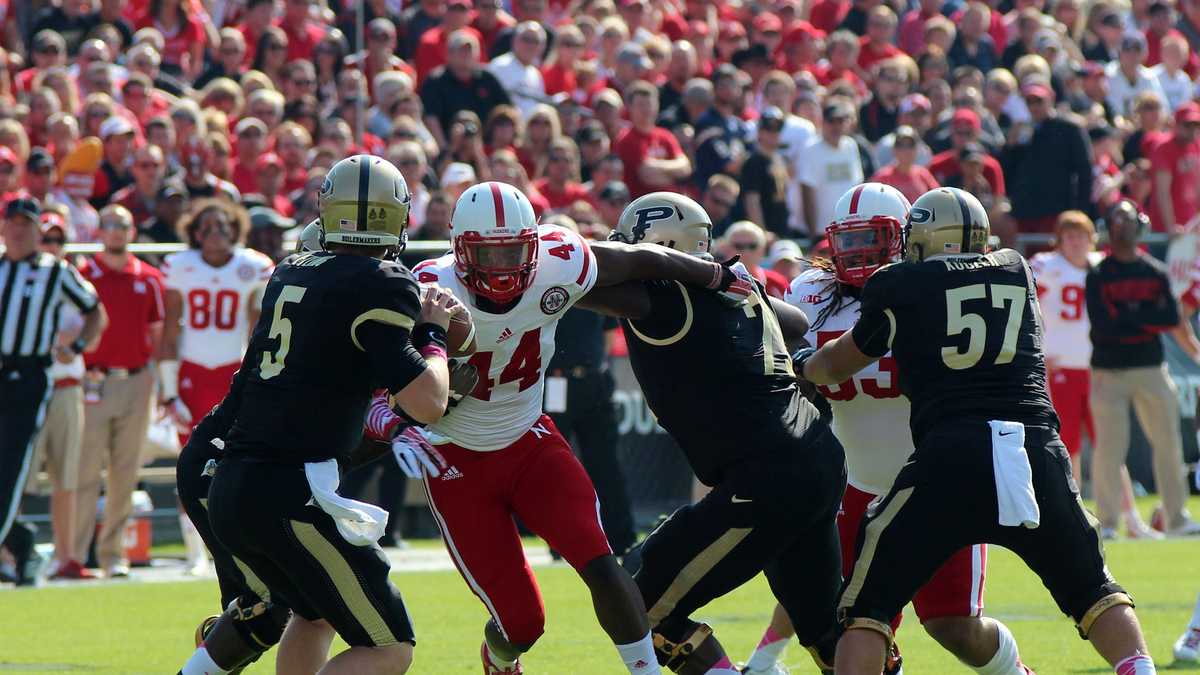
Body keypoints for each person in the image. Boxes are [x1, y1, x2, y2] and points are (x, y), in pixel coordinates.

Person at [796, 187, 1159, 675]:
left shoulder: (898, 284)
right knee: (1093, 589)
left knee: (865, 609)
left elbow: (835, 365)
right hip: (1032, 450)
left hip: (951, 454)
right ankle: (1140, 669)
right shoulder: (1017, 269)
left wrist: (804, 364)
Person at [412, 181, 753, 675]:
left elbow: (639, 259)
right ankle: (500, 658)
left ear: (534, 243)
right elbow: (397, 383)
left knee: (603, 564)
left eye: (514, 251)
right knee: (522, 625)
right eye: (489, 253)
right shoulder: (431, 290)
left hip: (529, 441)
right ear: (461, 250)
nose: (504, 267)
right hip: (457, 459)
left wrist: (715, 275)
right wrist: (435, 386)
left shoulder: (558, 259)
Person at [746, 183, 1032, 675]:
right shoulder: (809, 294)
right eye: (849, 240)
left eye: (872, 239)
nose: (859, 253)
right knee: (842, 617)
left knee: (953, 625)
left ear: (908, 238)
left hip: (936, 480)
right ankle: (768, 660)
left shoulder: (934, 288)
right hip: (855, 483)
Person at [201, 155, 453, 675]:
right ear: (396, 217)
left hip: (235, 486)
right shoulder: (382, 283)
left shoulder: (291, 270)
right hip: (293, 493)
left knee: (314, 617)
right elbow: (428, 402)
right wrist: (434, 334)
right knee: (390, 647)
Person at [574, 192, 843, 674]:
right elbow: (796, 321)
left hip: (768, 478)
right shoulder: (734, 290)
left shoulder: (667, 297)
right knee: (827, 631)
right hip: (816, 458)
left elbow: (587, 271)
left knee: (640, 609)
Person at [0, 198, 104, 585]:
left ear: (36, 230)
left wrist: (77, 346)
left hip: (29, 377)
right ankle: (21, 540)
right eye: (13, 222)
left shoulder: (55, 271)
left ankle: (15, 544)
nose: (19, 230)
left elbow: (95, 311)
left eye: (26, 224)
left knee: (9, 468)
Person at [1085, 199, 1200, 538]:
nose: (1124, 228)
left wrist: (1128, 317)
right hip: (1109, 372)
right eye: (1117, 222)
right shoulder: (1098, 274)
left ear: (1141, 226)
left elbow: (1170, 317)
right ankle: (1108, 522)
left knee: (1169, 444)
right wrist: (1145, 318)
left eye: (1129, 221)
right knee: (1109, 449)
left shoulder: (1155, 271)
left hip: (1151, 368)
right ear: (1108, 229)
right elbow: (1104, 325)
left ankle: (1176, 518)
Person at [72, 205, 164, 579]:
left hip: (136, 379)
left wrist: (154, 380)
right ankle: (75, 556)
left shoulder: (149, 278)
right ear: (99, 231)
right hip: (93, 380)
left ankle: (112, 555)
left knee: (125, 472)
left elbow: (157, 333)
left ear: (132, 231)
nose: (115, 231)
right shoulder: (83, 275)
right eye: (108, 224)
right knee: (85, 470)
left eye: (121, 225)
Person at [30, 216, 92, 580]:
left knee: (66, 477)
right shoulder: (16, 276)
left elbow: (98, 318)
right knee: (14, 477)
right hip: (26, 387)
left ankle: (66, 556)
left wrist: (77, 344)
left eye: (58, 240)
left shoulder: (72, 280)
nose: (52, 246)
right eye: (46, 239)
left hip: (67, 385)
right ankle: (10, 552)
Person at [1003, 83, 1094, 234]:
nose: (1034, 107)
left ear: (1051, 99)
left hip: (1057, 212)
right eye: (1029, 102)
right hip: (1025, 213)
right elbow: (1009, 170)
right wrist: (1010, 147)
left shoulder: (1069, 129)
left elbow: (1085, 171)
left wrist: (1080, 210)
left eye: (1039, 101)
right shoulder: (1021, 131)